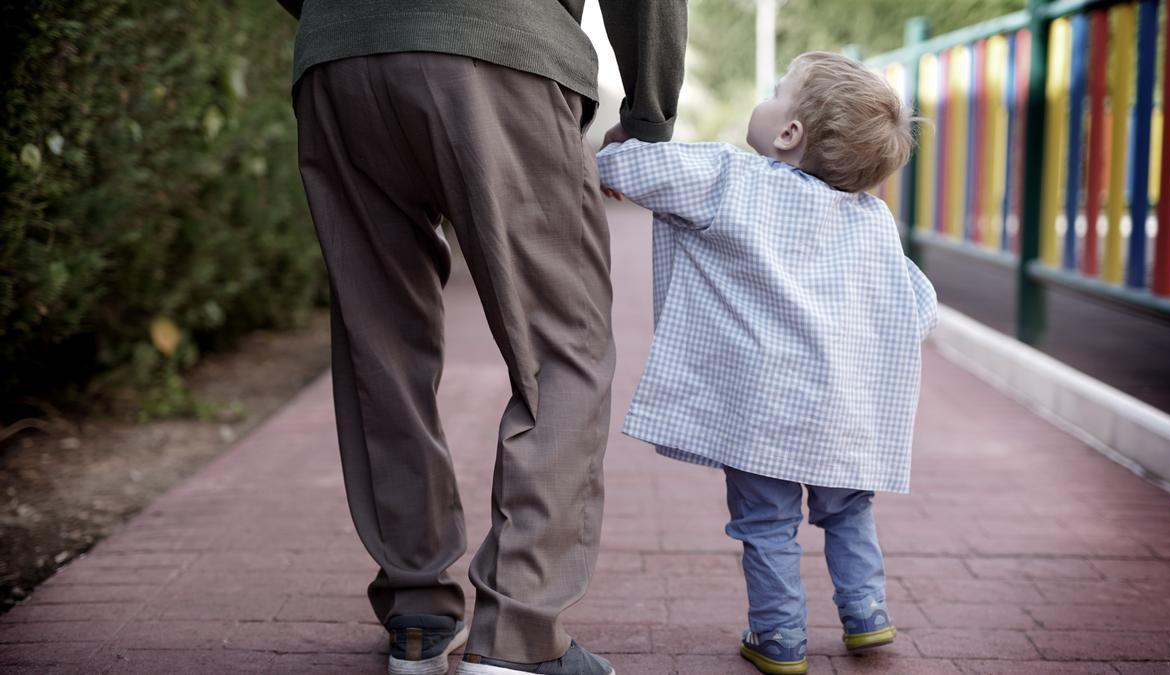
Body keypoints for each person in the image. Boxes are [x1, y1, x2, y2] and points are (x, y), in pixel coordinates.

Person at [274, 1, 686, 674]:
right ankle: (516, 638)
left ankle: (418, 615)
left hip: (337, 61)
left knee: (380, 342)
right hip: (499, 49)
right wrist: (648, 114)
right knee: (563, 345)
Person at [596, 52, 938, 675]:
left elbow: (628, 167)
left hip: (764, 412)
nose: (768, 97)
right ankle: (866, 614)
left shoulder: (731, 178)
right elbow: (917, 305)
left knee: (766, 522)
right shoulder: (873, 223)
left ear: (788, 134)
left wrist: (617, 153)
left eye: (778, 91)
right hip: (846, 411)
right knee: (848, 511)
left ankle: (779, 638)